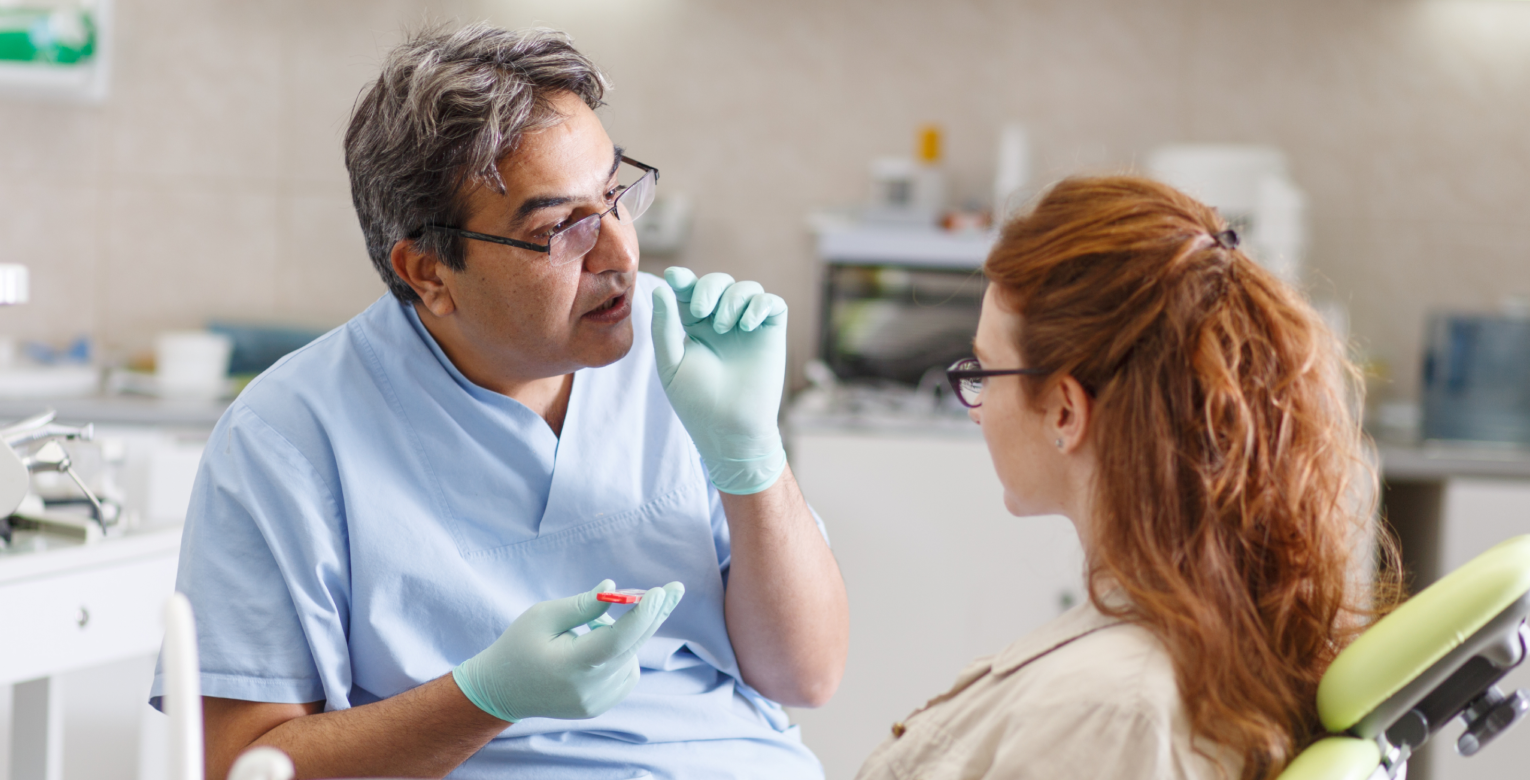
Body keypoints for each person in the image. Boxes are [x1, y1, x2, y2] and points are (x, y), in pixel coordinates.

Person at [149, 24, 848, 780]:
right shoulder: (288, 437)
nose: (619, 254)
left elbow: (805, 677)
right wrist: (485, 698)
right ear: (429, 274)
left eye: (615, 197)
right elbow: (240, 766)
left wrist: (753, 459)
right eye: (561, 230)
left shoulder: (683, 355)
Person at [855, 175, 1397, 780]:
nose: (975, 404)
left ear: (1065, 410)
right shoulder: (1202, 634)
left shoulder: (1108, 711)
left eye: (984, 369)